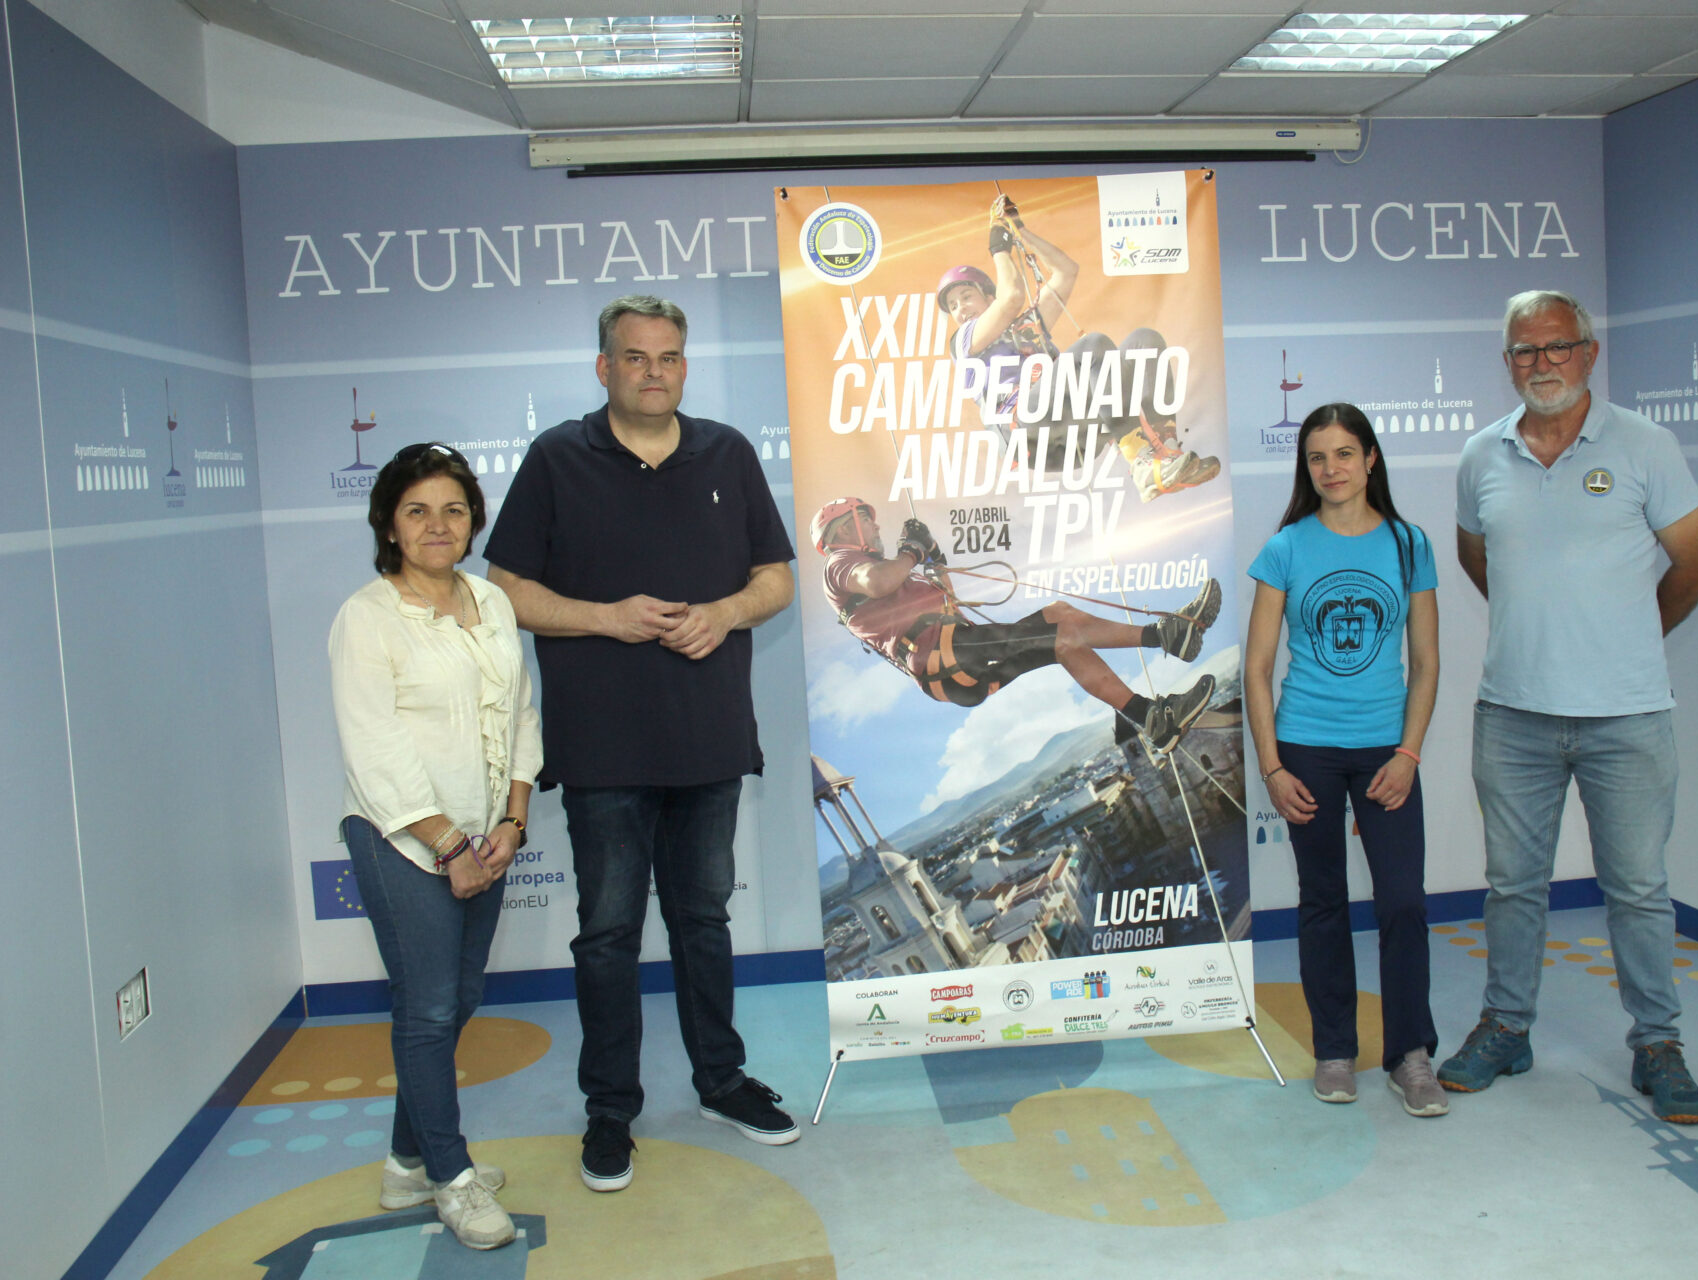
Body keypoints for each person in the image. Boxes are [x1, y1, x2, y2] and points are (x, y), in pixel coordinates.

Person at [485, 294, 799, 1193]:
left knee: (704, 921)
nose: (653, 371)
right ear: (604, 368)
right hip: (603, 749)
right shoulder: (556, 458)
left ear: (684, 368)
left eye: (668, 358)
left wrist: (726, 612)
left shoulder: (728, 453)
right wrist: (603, 619)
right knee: (609, 934)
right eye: (635, 358)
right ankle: (610, 1112)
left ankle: (722, 1084)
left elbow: (774, 578)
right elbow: (505, 588)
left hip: (708, 740)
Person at [1440, 290, 1698, 1124]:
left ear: (1589, 353)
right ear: (1507, 364)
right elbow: (1476, 557)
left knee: (1636, 888)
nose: (1542, 365)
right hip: (1514, 716)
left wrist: (1631, 634)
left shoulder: (1646, 446)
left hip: (1627, 717)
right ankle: (1505, 1028)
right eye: (1524, 353)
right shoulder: (1480, 456)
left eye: (1557, 347)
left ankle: (1659, 1045)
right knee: (1512, 887)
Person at [328, 442, 540, 1250]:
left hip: (485, 839)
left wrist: (513, 823)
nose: (437, 525)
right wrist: (450, 846)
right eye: (417, 510)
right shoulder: (367, 618)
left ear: (473, 520)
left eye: (453, 509)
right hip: (401, 841)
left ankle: (405, 1163)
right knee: (426, 1011)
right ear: (388, 524)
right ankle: (451, 1181)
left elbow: (520, 714)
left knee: (459, 999)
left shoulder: (491, 603)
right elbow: (373, 748)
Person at [1244, 403, 1445, 1118]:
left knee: (1403, 902)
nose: (1330, 469)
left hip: (1388, 751)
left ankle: (1410, 1055)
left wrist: (1409, 752)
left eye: (1343, 454)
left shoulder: (1408, 544)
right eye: (1317, 458)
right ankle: (1335, 1050)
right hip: (1307, 749)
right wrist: (1272, 766)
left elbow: (1426, 663)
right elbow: (1258, 668)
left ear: (1371, 460)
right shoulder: (1286, 548)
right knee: (1323, 902)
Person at [812, 496, 1220, 751]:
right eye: (868, 518)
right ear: (845, 527)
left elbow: (945, 598)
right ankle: (1169, 637)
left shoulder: (882, 571)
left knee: (1062, 631)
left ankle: (1152, 716)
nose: (877, 525)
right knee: (1060, 628)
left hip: (957, 658)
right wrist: (910, 551)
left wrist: (933, 558)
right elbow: (881, 580)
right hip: (949, 657)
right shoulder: (840, 564)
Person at [938, 192, 1218, 501]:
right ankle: (1140, 459)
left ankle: (1165, 456)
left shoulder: (1024, 328)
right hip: (1026, 430)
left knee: (1145, 341)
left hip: (1074, 434)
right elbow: (1012, 296)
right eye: (953, 305)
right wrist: (998, 246)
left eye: (966, 296)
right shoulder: (964, 342)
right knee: (1095, 344)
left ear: (987, 298)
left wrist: (1021, 230)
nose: (960, 308)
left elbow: (1067, 271)